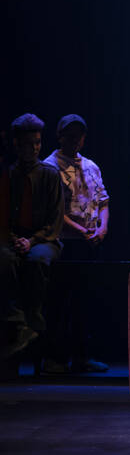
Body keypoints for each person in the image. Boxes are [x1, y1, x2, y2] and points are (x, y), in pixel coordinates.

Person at [41, 114, 109, 373]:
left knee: (85, 301)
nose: (74, 140)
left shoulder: (91, 165)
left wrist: (102, 227)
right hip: (66, 242)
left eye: (78, 135)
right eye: (69, 134)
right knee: (60, 301)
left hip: (90, 242)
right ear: (60, 136)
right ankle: (54, 358)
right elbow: (54, 210)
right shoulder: (50, 167)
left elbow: (103, 200)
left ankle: (83, 356)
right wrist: (82, 231)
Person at [0, 114, 64, 361]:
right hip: (11, 239)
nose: (34, 148)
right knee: (5, 260)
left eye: (37, 143)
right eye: (28, 143)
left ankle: (34, 321)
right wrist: (14, 238)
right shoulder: (8, 174)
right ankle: (17, 321)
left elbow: (55, 220)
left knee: (36, 260)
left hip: (44, 239)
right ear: (16, 144)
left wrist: (32, 240)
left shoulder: (49, 174)